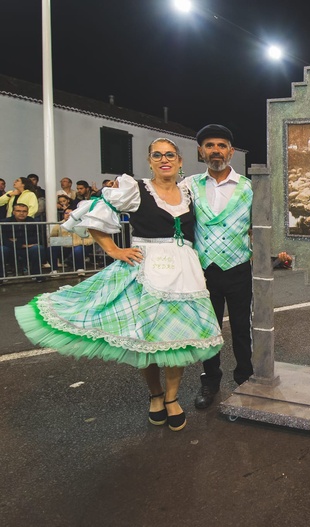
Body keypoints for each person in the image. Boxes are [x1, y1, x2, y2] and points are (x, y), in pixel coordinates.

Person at [14, 138, 224, 432]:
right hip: (145, 267)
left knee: (179, 337)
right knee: (145, 339)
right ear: (150, 161)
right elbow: (94, 215)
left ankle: (173, 398)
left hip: (185, 271)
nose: (164, 159)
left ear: (179, 161)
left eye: (170, 155)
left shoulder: (190, 192)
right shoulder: (135, 189)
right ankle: (155, 395)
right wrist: (114, 250)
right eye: (157, 155)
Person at [182, 124, 291, 409]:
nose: (215, 151)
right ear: (200, 151)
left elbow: (265, 223)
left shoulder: (249, 186)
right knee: (208, 330)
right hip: (204, 271)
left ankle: (245, 377)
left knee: (243, 328)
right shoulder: (189, 186)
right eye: (209, 146)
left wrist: (276, 249)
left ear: (230, 151)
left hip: (239, 268)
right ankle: (210, 381)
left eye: (221, 145)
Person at [1, 203, 47, 281]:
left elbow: (36, 238)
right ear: (13, 212)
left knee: (38, 248)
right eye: (18, 211)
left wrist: (16, 240)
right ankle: (1, 276)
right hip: (10, 248)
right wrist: (22, 245)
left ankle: (37, 275)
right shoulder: (5, 222)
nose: (21, 213)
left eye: (24, 211)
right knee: (1, 249)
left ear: (27, 212)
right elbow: (3, 240)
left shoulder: (32, 222)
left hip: (26, 248)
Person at [48, 207, 94, 273]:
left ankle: (80, 269)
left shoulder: (83, 224)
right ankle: (54, 270)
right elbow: (52, 239)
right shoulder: (58, 225)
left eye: (71, 213)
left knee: (78, 249)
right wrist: (65, 242)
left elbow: (91, 238)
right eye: (66, 213)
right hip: (65, 247)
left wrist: (76, 242)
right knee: (51, 249)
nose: (68, 215)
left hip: (81, 246)